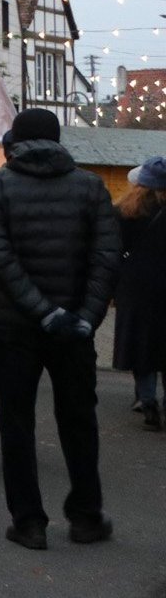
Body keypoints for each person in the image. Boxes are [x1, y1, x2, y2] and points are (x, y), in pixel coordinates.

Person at [0, 107, 118, 550]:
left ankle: (29, 521)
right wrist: (85, 317)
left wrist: (40, 311)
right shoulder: (91, 187)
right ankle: (86, 516)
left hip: (13, 327)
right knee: (78, 421)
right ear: (58, 138)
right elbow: (106, 257)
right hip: (75, 328)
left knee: (16, 423)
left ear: (15, 141)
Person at [113, 156, 166, 432]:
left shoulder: (124, 211)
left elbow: (112, 251)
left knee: (142, 348)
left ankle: (147, 403)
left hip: (135, 289)